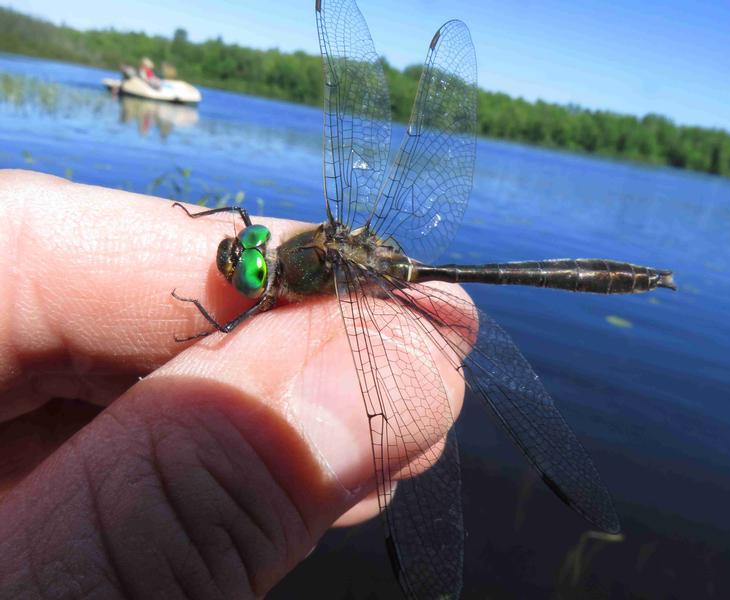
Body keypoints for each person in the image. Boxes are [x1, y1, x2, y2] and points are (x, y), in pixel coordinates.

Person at [0, 170, 466, 598]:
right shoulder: (291, 254)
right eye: (250, 246)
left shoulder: (295, 275)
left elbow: (226, 328)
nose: (244, 251)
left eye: (250, 266)